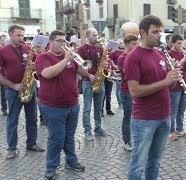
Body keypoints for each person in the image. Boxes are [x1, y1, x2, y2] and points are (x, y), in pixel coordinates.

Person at [125, 15, 181, 179]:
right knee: (138, 164)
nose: (159, 36)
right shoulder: (133, 57)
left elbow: (168, 87)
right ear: (142, 32)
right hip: (145, 119)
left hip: (164, 116)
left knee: (155, 161)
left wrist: (173, 78)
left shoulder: (159, 54)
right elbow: (134, 91)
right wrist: (165, 81)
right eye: (155, 32)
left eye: (160, 32)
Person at [35, 30, 88, 179]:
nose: (63, 44)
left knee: (69, 136)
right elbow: (47, 74)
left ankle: (71, 161)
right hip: (52, 106)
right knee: (56, 137)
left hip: (72, 103)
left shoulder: (70, 58)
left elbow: (83, 73)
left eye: (64, 41)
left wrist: (80, 61)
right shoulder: (43, 57)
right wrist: (65, 60)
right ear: (50, 42)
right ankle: (51, 166)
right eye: (59, 41)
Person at [0, 24, 44, 159]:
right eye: (18, 35)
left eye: (22, 35)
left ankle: (31, 143)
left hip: (29, 88)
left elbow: (38, 66)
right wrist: (13, 85)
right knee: (12, 120)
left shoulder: (28, 48)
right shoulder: (2, 51)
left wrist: (34, 66)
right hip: (13, 90)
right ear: (11, 35)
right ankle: (11, 148)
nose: (21, 38)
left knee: (32, 118)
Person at [77, 28, 107, 141]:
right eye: (94, 35)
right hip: (87, 81)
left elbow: (102, 63)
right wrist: (89, 75)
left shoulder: (101, 48)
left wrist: (105, 66)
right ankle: (87, 131)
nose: (96, 37)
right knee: (87, 108)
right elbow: (78, 66)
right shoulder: (82, 49)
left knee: (98, 108)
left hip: (100, 81)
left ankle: (98, 128)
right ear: (88, 36)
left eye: (97, 35)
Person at [168, 34, 186, 141]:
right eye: (178, 43)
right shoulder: (169, 54)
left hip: (184, 85)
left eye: (181, 43)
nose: (180, 45)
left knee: (181, 109)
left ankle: (180, 129)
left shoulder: (183, 53)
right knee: (173, 109)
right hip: (174, 86)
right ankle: (171, 131)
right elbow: (173, 67)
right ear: (172, 43)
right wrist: (183, 59)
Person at [117, 34, 139, 151]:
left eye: (137, 43)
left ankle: (136, 139)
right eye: (133, 44)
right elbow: (129, 73)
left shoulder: (136, 56)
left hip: (137, 90)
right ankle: (127, 141)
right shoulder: (122, 58)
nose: (136, 46)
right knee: (127, 117)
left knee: (137, 117)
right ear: (127, 44)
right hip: (127, 91)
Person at [108, 39, 125, 108]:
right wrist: (114, 65)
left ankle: (123, 101)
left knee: (123, 88)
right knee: (118, 88)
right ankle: (120, 103)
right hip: (117, 72)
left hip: (123, 72)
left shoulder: (124, 52)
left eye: (122, 43)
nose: (121, 44)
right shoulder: (114, 52)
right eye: (119, 43)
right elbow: (109, 59)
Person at [0, 34, 8, 116]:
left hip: (8, 75)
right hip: (2, 75)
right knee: (3, 93)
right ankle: (4, 108)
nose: (5, 42)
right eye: (3, 40)